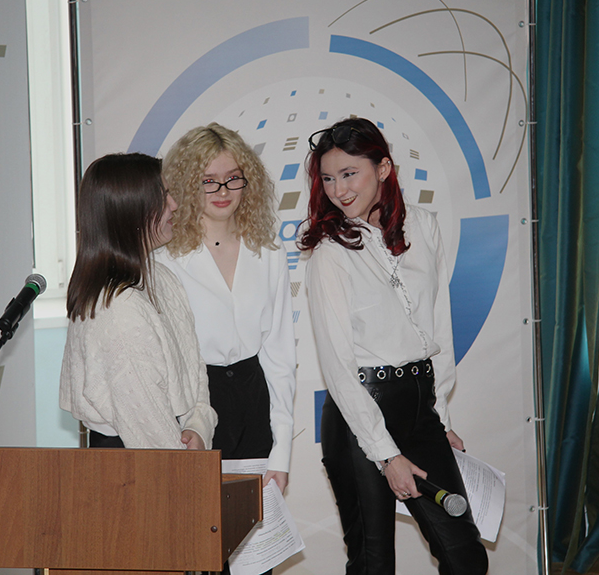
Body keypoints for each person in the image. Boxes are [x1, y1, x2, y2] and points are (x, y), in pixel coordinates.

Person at [298, 118, 487, 575]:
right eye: (329, 178)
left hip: (420, 409)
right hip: (361, 415)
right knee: (374, 564)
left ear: (383, 168)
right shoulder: (329, 253)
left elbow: (439, 330)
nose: (339, 190)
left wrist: (441, 418)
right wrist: (385, 453)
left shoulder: (424, 226)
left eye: (350, 174)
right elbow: (338, 367)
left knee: (465, 558)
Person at [159, 123, 297, 494]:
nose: (222, 192)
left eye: (233, 179)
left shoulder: (268, 249)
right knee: (196, 524)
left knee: (251, 526)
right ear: (185, 184)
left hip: (254, 401)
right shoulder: (164, 257)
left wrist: (282, 451)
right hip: (192, 407)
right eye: (208, 181)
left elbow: (280, 356)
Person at [59, 152, 215, 451]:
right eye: (163, 197)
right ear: (130, 211)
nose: (174, 205)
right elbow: (147, 427)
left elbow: (193, 366)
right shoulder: (116, 308)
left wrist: (197, 425)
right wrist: (186, 466)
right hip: (131, 465)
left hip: (173, 453)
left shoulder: (162, 277)